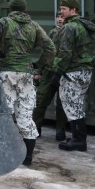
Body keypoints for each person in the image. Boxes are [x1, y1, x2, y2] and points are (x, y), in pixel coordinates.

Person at [0, 0, 55, 166]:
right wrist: (39, 65)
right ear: (25, 10)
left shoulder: (4, 23)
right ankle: (27, 157)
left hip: (6, 73)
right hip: (25, 74)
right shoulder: (34, 26)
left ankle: (0, 153)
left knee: (3, 113)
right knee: (26, 115)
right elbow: (50, 47)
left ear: (11, 9)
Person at [53, 0, 95, 152]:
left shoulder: (69, 27)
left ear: (74, 10)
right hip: (85, 71)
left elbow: (65, 52)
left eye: (64, 9)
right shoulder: (85, 26)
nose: (61, 12)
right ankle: (79, 138)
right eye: (61, 9)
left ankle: (78, 140)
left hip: (72, 72)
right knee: (78, 105)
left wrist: (58, 71)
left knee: (71, 105)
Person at [33, 12, 68, 141]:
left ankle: (60, 131)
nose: (59, 19)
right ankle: (35, 128)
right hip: (49, 71)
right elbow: (46, 52)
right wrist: (38, 70)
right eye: (58, 17)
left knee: (62, 103)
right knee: (40, 100)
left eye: (62, 17)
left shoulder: (70, 33)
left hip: (63, 72)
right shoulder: (53, 32)